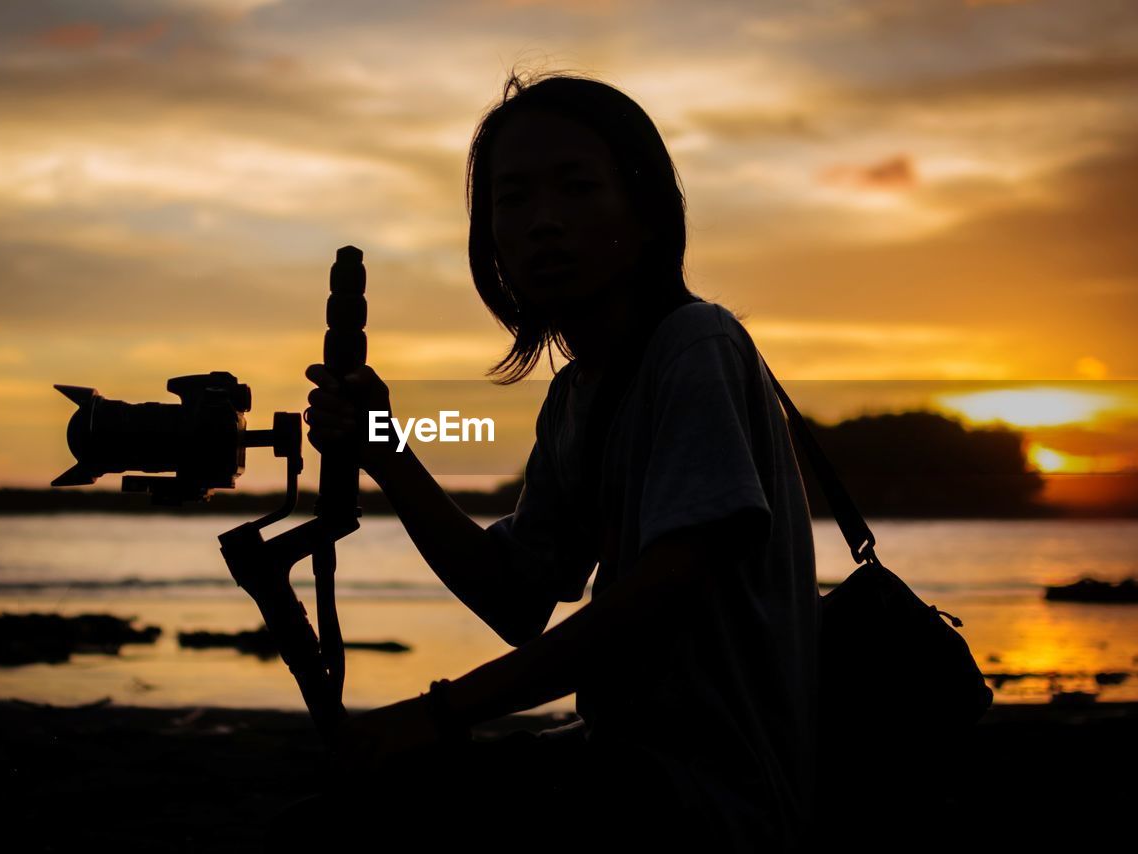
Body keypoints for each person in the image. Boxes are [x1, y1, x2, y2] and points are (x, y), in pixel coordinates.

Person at [292, 71, 820, 851]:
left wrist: (439, 712)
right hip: (629, 766)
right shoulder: (579, 396)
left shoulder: (693, 345)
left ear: (644, 214)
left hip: (713, 797)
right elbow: (513, 596)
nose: (544, 223)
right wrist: (387, 450)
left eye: (576, 189)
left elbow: (658, 600)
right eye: (513, 200)